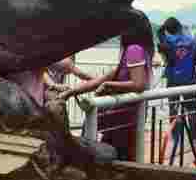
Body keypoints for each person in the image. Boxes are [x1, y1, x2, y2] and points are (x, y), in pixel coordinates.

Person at [59, 17, 154, 161]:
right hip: (127, 117)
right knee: (119, 155)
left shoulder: (133, 50)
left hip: (124, 117)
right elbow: (99, 81)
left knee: (109, 153)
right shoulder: (140, 51)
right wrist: (71, 92)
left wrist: (110, 86)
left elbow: (139, 84)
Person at [157, 17, 196, 142]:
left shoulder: (167, 42)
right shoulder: (191, 41)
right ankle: (195, 137)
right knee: (192, 109)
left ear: (168, 30)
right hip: (190, 79)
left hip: (173, 80)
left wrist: (162, 28)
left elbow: (159, 36)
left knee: (173, 108)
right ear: (180, 27)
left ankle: (176, 137)